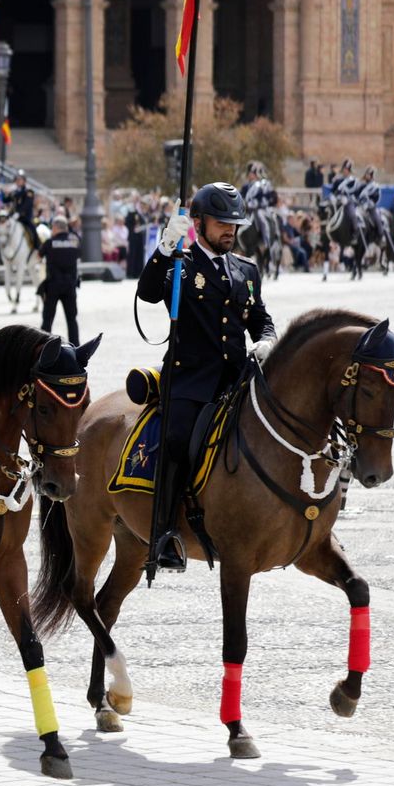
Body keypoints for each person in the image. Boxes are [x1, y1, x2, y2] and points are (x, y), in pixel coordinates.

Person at [136, 182, 276, 571]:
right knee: (177, 440)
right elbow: (147, 293)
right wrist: (166, 248)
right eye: (221, 223)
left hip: (238, 378)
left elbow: (260, 318)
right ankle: (163, 534)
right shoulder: (181, 264)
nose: (230, 230)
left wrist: (267, 340)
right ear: (197, 223)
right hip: (191, 380)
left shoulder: (246, 269)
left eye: (235, 223)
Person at [38, 214, 81, 345]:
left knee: (47, 320)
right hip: (70, 285)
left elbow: (38, 256)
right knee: (72, 319)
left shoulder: (49, 243)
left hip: (53, 286)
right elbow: (80, 254)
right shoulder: (74, 242)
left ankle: (43, 347)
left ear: (55, 228)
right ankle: (75, 347)